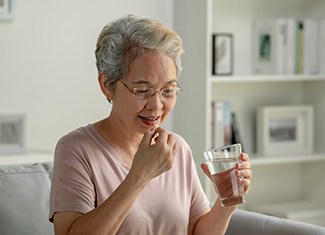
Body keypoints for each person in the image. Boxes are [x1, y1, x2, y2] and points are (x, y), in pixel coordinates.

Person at [49, 14, 253, 235]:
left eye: (168, 90)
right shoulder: (76, 149)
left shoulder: (177, 148)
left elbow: (197, 231)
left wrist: (227, 202)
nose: (156, 106)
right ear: (107, 85)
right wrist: (140, 175)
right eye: (142, 91)